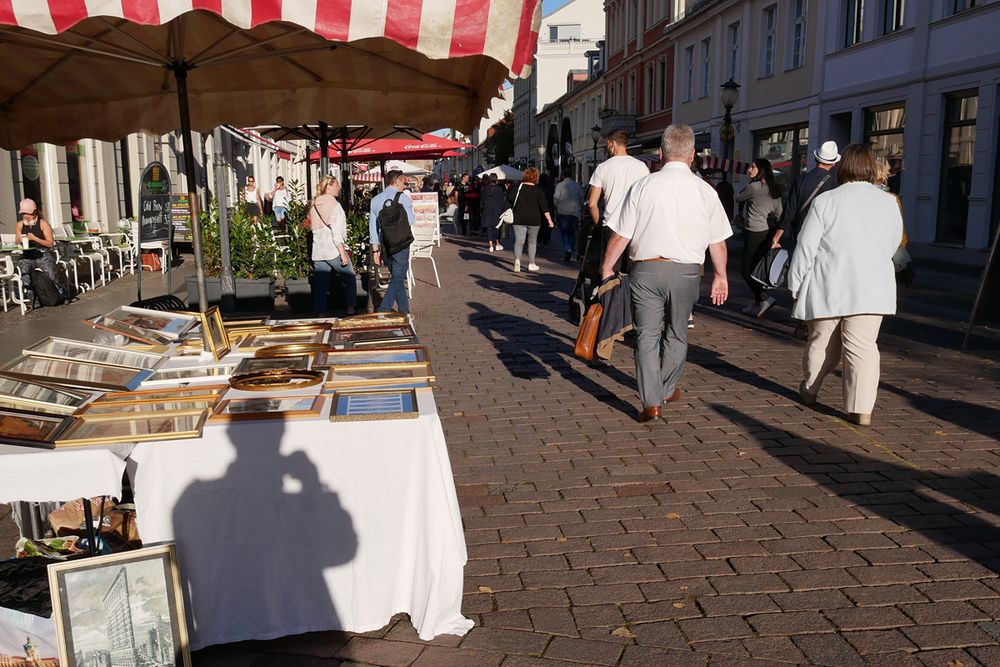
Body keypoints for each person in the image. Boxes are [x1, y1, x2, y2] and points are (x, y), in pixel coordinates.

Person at [600, 125, 731, 423]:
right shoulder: (705, 191)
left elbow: (621, 234)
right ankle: (666, 386)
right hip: (686, 272)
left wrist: (607, 267)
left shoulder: (644, 186)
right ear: (693, 154)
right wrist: (720, 275)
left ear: (661, 153)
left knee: (646, 335)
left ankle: (651, 402)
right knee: (677, 332)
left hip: (646, 270)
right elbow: (718, 241)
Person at [788, 145, 902, 427]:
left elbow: (806, 246)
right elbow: (892, 244)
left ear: (844, 167)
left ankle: (810, 388)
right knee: (862, 347)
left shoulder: (827, 201)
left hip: (830, 281)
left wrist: (796, 282)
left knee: (822, 342)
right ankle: (861, 408)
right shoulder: (888, 202)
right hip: (872, 285)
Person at [588, 129, 650, 272]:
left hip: (612, 225)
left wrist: (599, 224)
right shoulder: (642, 167)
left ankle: (611, 294)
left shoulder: (603, 168)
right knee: (632, 271)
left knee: (610, 271)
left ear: (612, 144)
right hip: (636, 226)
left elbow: (592, 204)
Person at [735, 158, 784, 319]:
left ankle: (764, 298)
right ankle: (757, 303)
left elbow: (738, 198)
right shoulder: (774, 189)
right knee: (758, 269)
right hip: (767, 233)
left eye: (753, 167)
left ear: (761, 170)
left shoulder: (754, 187)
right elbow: (779, 214)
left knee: (746, 270)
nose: (750, 169)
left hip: (753, 232)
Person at [772, 140, 841, 249]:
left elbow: (789, 210)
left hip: (801, 231)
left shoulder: (801, 180)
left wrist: (777, 237)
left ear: (816, 159)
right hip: (823, 234)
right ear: (833, 163)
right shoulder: (835, 184)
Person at [369, 170, 415, 313]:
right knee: (398, 277)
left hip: (385, 244)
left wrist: (375, 249)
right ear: (396, 181)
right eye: (403, 181)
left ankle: (404, 312)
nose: (404, 184)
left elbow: (373, 228)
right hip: (401, 243)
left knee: (397, 276)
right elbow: (411, 220)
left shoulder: (375, 200)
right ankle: (384, 308)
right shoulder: (403, 198)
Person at [310, 176, 356, 315]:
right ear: (329, 187)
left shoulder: (314, 203)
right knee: (349, 276)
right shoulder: (335, 205)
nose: (339, 187)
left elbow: (312, 227)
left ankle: (320, 313)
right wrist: (343, 254)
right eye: (337, 185)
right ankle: (350, 309)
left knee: (320, 284)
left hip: (318, 249)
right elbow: (337, 232)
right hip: (332, 249)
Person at [508, 167, 554, 272]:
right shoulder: (538, 190)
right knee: (532, 242)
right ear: (536, 177)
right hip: (534, 219)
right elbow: (544, 207)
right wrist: (550, 220)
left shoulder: (518, 187)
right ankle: (531, 263)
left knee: (519, 241)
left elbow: (509, 198)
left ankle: (517, 261)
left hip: (519, 218)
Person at [14, 198, 58, 294]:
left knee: (51, 274)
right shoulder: (20, 225)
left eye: (28, 213)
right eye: (23, 214)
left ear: (34, 212)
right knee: (25, 273)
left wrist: (35, 238)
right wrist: (21, 238)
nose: (26, 216)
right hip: (27, 254)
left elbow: (50, 243)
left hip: (42, 253)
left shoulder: (43, 224)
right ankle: (33, 299)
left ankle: (57, 295)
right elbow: (16, 242)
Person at [553, 171, 585, 262]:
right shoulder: (577, 185)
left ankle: (567, 249)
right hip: (574, 212)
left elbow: (556, 198)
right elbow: (581, 199)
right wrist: (582, 210)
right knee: (572, 232)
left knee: (564, 232)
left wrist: (556, 207)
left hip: (563, 212)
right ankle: (571, 248)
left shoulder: (560, 185)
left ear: (563, 175)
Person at [480, 174, 507, 252]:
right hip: (497, 209)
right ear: (496, 180)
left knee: (489, 226)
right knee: (497, 226)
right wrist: (504, 209)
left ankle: (491, 245)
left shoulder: (485, 188)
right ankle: (497, 244)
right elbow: (502, 200)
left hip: (487, 208)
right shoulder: (499, 189)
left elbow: (482, 200)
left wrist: (481, 208)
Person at [538, 173, 556, 247]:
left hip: (539, 208)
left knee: (540, 224)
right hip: (549, 208)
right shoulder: (551, 187)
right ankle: (545, 240)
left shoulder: (538, 187)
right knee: (547, 225)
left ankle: (538, 240)